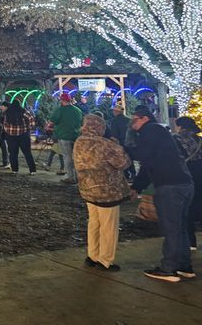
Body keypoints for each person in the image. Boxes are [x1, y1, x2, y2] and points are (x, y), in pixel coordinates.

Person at [129, 105, 194, 282]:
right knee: (180, 227)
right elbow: (148, 164)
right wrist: (137, 187)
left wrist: (124, 148)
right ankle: (184, 265)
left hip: (169, 186)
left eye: (134, 120)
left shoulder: (150, 130)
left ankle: (169, 268)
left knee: (171, 227)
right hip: (184, 184)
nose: (132, 124)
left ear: (144, 118)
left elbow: (143, 155)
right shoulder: (161, 133)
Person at [73, 114, 132, 272]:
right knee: (108, 226)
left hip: (87, 190)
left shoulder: (79, 141)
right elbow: (124, 163)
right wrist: (116, 145)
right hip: (107, 192)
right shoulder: (105, 144)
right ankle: (105, 260)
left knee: (94, 223)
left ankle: (92, 255)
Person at [173, 116, 202, 251]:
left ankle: (191, 242)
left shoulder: (177, 139)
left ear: (180, 126)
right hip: (200, 175)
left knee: (187, 210)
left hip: (187, 176)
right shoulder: (199, 139)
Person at [48, 93, 83, 184]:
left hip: (64, 136)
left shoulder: (60, 110)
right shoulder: (78, 110)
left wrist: (49, 127)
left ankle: (71, 177)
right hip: (76, 137)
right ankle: (78, 177)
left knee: (67, 157)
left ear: (62, 100)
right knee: (75, 157)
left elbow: (51, 122)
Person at [2, 100, 37, 174]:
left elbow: (5, 125)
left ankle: (15, 170)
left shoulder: (8, 113)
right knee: (27, 153)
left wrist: (9, 131)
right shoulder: (24, 112)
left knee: (13, 154)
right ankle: (32, 170)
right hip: (23, 135)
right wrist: (28, 128)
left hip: (11, 136)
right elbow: (32, 121)